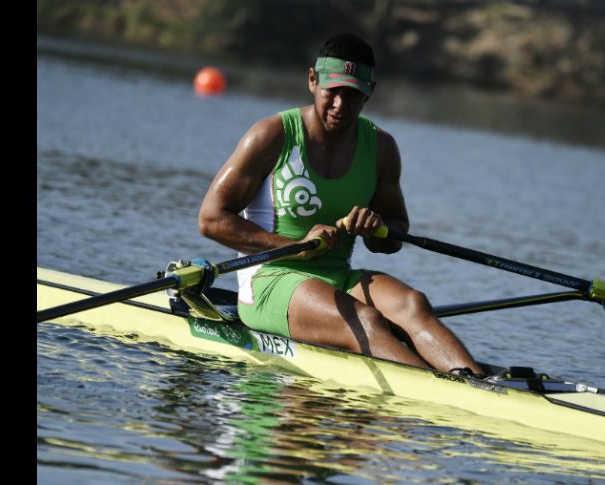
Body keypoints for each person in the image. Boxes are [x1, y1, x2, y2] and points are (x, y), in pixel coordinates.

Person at [198, 33, 485, 376]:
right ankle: (440, 393)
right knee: (365, 319)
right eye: (332, 92)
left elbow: (394, 237)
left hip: (338, 277)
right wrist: (294, 246)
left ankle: (481, 385)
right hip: (271, 279)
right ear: (311, 80)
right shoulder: (272, 135)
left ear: (370, 92)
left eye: (352, 95)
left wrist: (376, 228)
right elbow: (212, 219)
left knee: (413, 304)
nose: (340, 105)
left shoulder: (381, 148)